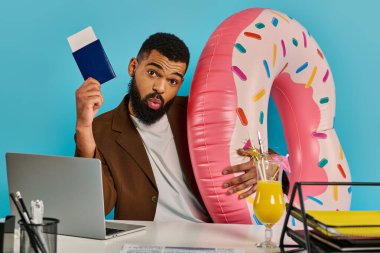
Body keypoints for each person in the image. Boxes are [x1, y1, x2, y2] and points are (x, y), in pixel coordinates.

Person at [74, 33, 257, 222]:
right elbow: (97, 206)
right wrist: (83, 128)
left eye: (172, 81)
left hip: (209, 234)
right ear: (133, 67)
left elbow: (258, 153)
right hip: (145, 240)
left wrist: (265, 169)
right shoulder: (100, 129)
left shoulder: (200, 113)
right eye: (153, 73)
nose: (160, 88)